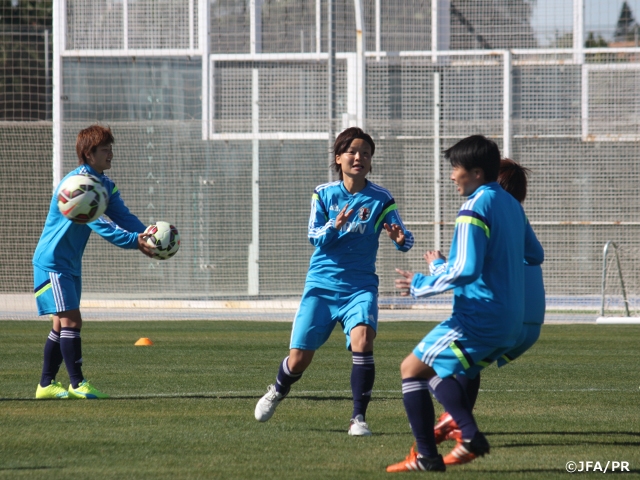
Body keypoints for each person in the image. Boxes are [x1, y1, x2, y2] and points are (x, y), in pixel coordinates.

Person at [386, 135, 544, 472]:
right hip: (509, 321)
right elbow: (535, 254)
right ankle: (454, 440)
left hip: (479, 317)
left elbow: (466, 270)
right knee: (436, 370)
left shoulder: (474, 207)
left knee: (410, 369)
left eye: (455, 168)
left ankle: (435, 453)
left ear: (474, 172)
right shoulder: (511, 205)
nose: (452, 175)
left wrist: (420, 284)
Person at [254, 127, 414, 436]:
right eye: (352, 152)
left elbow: (404, 240)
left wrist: (400, 238)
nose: (359, 157)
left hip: (360, 286)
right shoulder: (324, 193)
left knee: (364, 340)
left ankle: (358, 419)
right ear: (338, 158)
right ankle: (277, 389)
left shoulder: (381, 199)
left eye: (365, 153)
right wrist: (334, 225)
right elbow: (314, 236)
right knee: (299, 359)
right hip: (322, 286)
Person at [33, 125, 155, 400]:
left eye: (111, 147)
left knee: (59, 324)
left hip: (69, 263)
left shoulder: (105, 185)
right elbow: (101, 224)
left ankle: (45, 385)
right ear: (89, 154)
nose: (111, 153)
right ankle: (77, 384)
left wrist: (148, 235)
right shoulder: (78, 186)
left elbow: (123, 216)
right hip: (52, 262)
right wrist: (134, 242)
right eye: (105, 149)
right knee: (72, 321)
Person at [432, 158, 546, 444]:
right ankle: (457, 423)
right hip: (530, 325)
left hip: (504, 318)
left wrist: (435, 268)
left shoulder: (485, 216)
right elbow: (537, 256)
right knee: (469, 365)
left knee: (427, 365)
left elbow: (465, 269)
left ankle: (458, 423)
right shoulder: (516, 219)